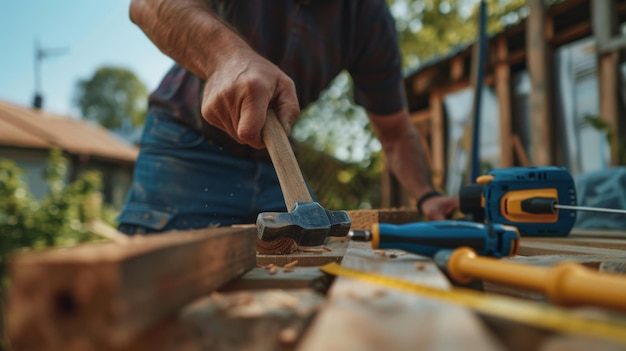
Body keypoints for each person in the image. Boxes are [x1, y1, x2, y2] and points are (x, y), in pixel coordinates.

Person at [117, 0, 459, 235]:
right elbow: (147, 5)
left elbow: (396, 132)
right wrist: (226, 57)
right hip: (185, 143)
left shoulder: (368, 18)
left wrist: (427, 196)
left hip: (275, 163)